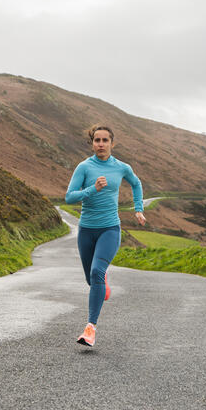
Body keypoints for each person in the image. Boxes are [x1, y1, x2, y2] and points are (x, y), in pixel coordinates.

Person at [65, 124, 146, 347]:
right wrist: (93, 189)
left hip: (110, 228)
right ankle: (101, 284)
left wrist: (138, 208)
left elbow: (136, 184)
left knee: (97, 271)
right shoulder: (84, 167)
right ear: (92, 143)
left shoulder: (121, 167)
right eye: (97, 140)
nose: (100, 144)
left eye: (105, 140)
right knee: (91, 278)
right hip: (86, 230)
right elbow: (69, 197)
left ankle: (90, 328)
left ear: (112, 143)